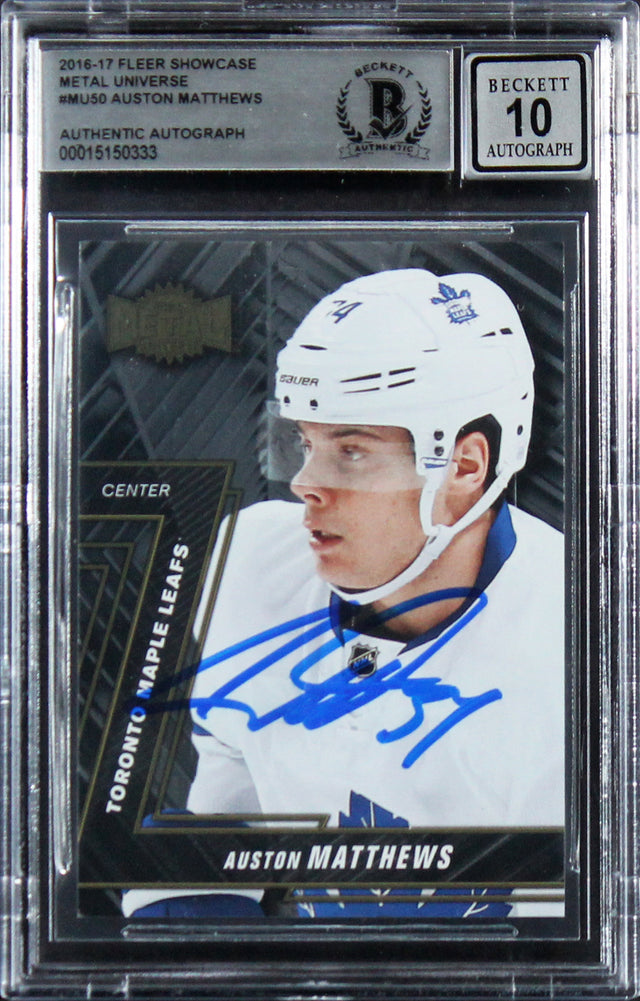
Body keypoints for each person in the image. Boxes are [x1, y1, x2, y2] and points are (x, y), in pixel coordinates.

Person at [124, 268, 564, 919]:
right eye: (306, 443)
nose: (305, 482)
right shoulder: (254, 559)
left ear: (466, 466)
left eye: (351, 450)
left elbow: (565, 951)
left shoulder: (576, 652)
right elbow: (232, 786)